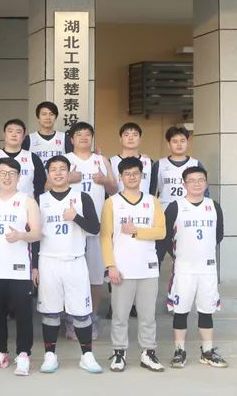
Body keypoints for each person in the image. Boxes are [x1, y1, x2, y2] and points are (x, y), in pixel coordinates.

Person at [36, 155, 102, 374]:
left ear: (69, 172)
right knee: (50, 312)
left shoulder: (82, 197)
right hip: (48, 261)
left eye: (62, 169)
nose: (58, 173)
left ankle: (87, 356)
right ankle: (50, 355)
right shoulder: (40, 200)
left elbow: (95, 228)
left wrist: (75, 217)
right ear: (48, 174)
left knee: (81, 312)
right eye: (53, 169)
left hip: (75, 260)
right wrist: (34, 266)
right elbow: (34, 235)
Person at [101, 156, 166, 373]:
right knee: (120, 316)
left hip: (147, 267)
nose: (131, 177)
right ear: (120, 177)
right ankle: (119, 352)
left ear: (141, 176)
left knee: (148, 316)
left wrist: (137, 231)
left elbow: (161, 232)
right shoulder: (112, 203)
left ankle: (148, 352)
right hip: (122, 268)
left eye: (135, 173)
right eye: (127, 174)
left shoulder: (152, 201)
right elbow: (105, 237)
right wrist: (110, 265)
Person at [159, 165, 227, 369]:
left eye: (200, 180)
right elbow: (165, 237)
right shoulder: (175, 207)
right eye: (192, 180)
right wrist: (177, 255)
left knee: (207, 310)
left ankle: (207, 352)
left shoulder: (214, 206)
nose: (196, 184)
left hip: (207, 268)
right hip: (184, 269)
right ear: (184, 184)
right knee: (180, 311)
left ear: (206, 183)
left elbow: (218, 235)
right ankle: (179, 351)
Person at [0, 156, 41, 376]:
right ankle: (0, 352)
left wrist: (21, 236)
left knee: (23, 314)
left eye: (12, 174)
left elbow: (37, 233)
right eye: (3, 173)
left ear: (18, 177)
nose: (7, 177)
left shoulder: (28, 201)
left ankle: (23, 354)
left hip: (20, 268)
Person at [64, 122, 117, 338]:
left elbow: (114, 189)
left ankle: (91, 317)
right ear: (72, 139)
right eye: (79, 134)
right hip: (70, 226)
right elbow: (48, 186)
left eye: (88, 134)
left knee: (95, 276)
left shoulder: (102, 160)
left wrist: (104, 180)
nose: (84, 137)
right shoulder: (65, 160)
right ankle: (71, 319)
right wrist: (68, 178)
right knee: (71, 276)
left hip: (97, 226)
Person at [0, 118, 44, 197]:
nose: (14, 135)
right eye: (10, 131)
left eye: (18, 132)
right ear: (4, 134)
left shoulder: (33, 158)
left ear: (23, 136)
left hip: (26, 203)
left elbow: (40, 185)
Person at [155, 125, 201, 211]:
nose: (179, 144)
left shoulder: (196, 164)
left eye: (182, 141)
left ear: (188, 143)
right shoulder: (159, 164)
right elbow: (151, 191)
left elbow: (204, 190)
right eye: (175, 141)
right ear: (168, 144)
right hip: (165, 210)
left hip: (189, 210)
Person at [108, 123, 155, 198]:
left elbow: (153, 189)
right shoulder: (110, 162)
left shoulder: (149, 162)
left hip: (144, 204)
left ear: (140, 139)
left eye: (135, 135)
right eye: (126, 135)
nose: (130, 138)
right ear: (120, 139)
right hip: (118, 204)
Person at [26, 101, 69, 166]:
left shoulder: (64, 138)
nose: (48, 117)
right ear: (38, 117)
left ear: (56, 118)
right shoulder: (28, 139)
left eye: (51, 114)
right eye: (44, 114)